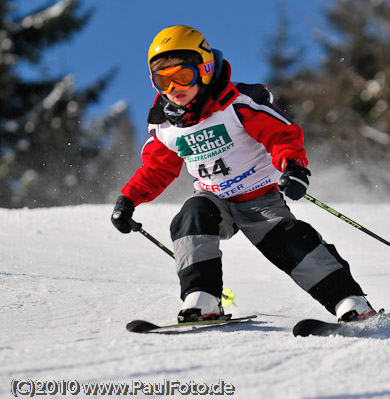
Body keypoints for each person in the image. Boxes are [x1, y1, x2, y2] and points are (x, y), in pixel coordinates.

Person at [111, 25, 376, 324]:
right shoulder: (164, 124)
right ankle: (203, 298)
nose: (174, 89)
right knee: (191, 215)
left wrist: (293, 167)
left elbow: (280, 134)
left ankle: (349, 301)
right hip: (214, 200)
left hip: (260, 197)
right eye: (163, 81)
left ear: (206, 69)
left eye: (183, 76)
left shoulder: (238, 102)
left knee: (288, 242)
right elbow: (156, 168)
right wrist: (127, 200)